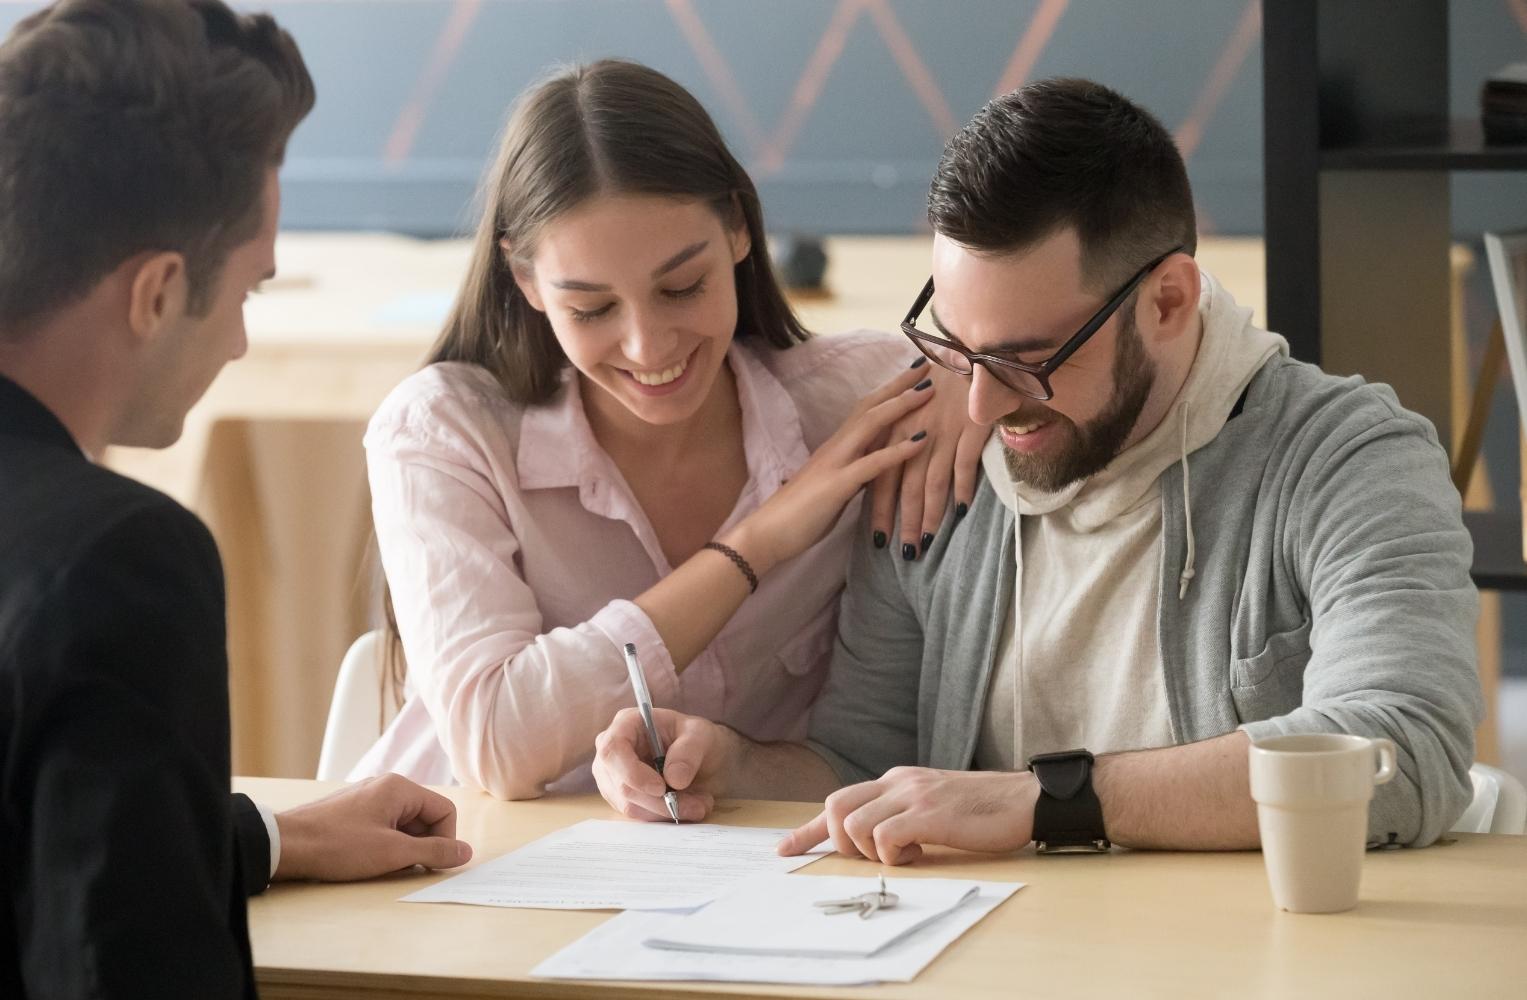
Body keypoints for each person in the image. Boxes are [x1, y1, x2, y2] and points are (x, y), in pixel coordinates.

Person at [592, 77, 1483, 859]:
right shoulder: (938, 470)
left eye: (1025, 358)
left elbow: (1403, 751)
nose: (978, 407)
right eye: (956, 347)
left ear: (1167, 301)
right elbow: (868, 760)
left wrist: (1044, 803)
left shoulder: (1347, 458)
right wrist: (735, 763)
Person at [350, 59, 982, 802]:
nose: (649, 347)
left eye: (683, 287)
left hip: (769, 877)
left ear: (740, 232)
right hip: (476, 869)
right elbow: (494, 745)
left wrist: (967, 370)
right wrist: (756, 544)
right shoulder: (443, 432)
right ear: (524, 281)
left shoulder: (861, 404)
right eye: (591, 309)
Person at [0, 3, 469, 996]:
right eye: (251, 290)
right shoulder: (118, 558)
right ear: (158, 292)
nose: (243, 342)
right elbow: (123, 967)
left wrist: (260, 836)